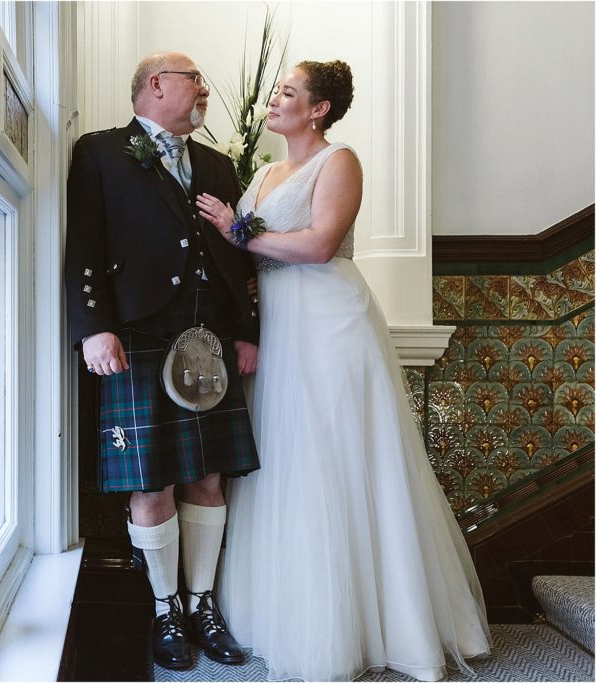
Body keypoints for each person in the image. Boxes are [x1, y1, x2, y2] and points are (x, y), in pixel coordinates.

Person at [195, 60, 491, 681]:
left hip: (329, 319)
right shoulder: (267, 170)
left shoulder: (340, 161)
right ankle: (282, 610)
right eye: (278, 92)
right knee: (285, 457)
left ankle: (376, 624)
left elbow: (319, 244)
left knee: (336, 454)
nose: (276, 101)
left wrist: (236, 230)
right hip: (279, 322)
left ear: (319, 108)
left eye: (289, 93)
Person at [65, 51, 260, 670]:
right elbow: (85, 244)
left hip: (208, 337)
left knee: (208, 475)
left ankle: (203, 603)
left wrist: (245, 329)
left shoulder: (218, 165)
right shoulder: (99, 152)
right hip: (140, 334)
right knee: (152, 480)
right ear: (156, 85)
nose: (204, 89)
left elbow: (237, 257)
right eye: (194, 79)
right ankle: (165, 609)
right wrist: (94, 328)